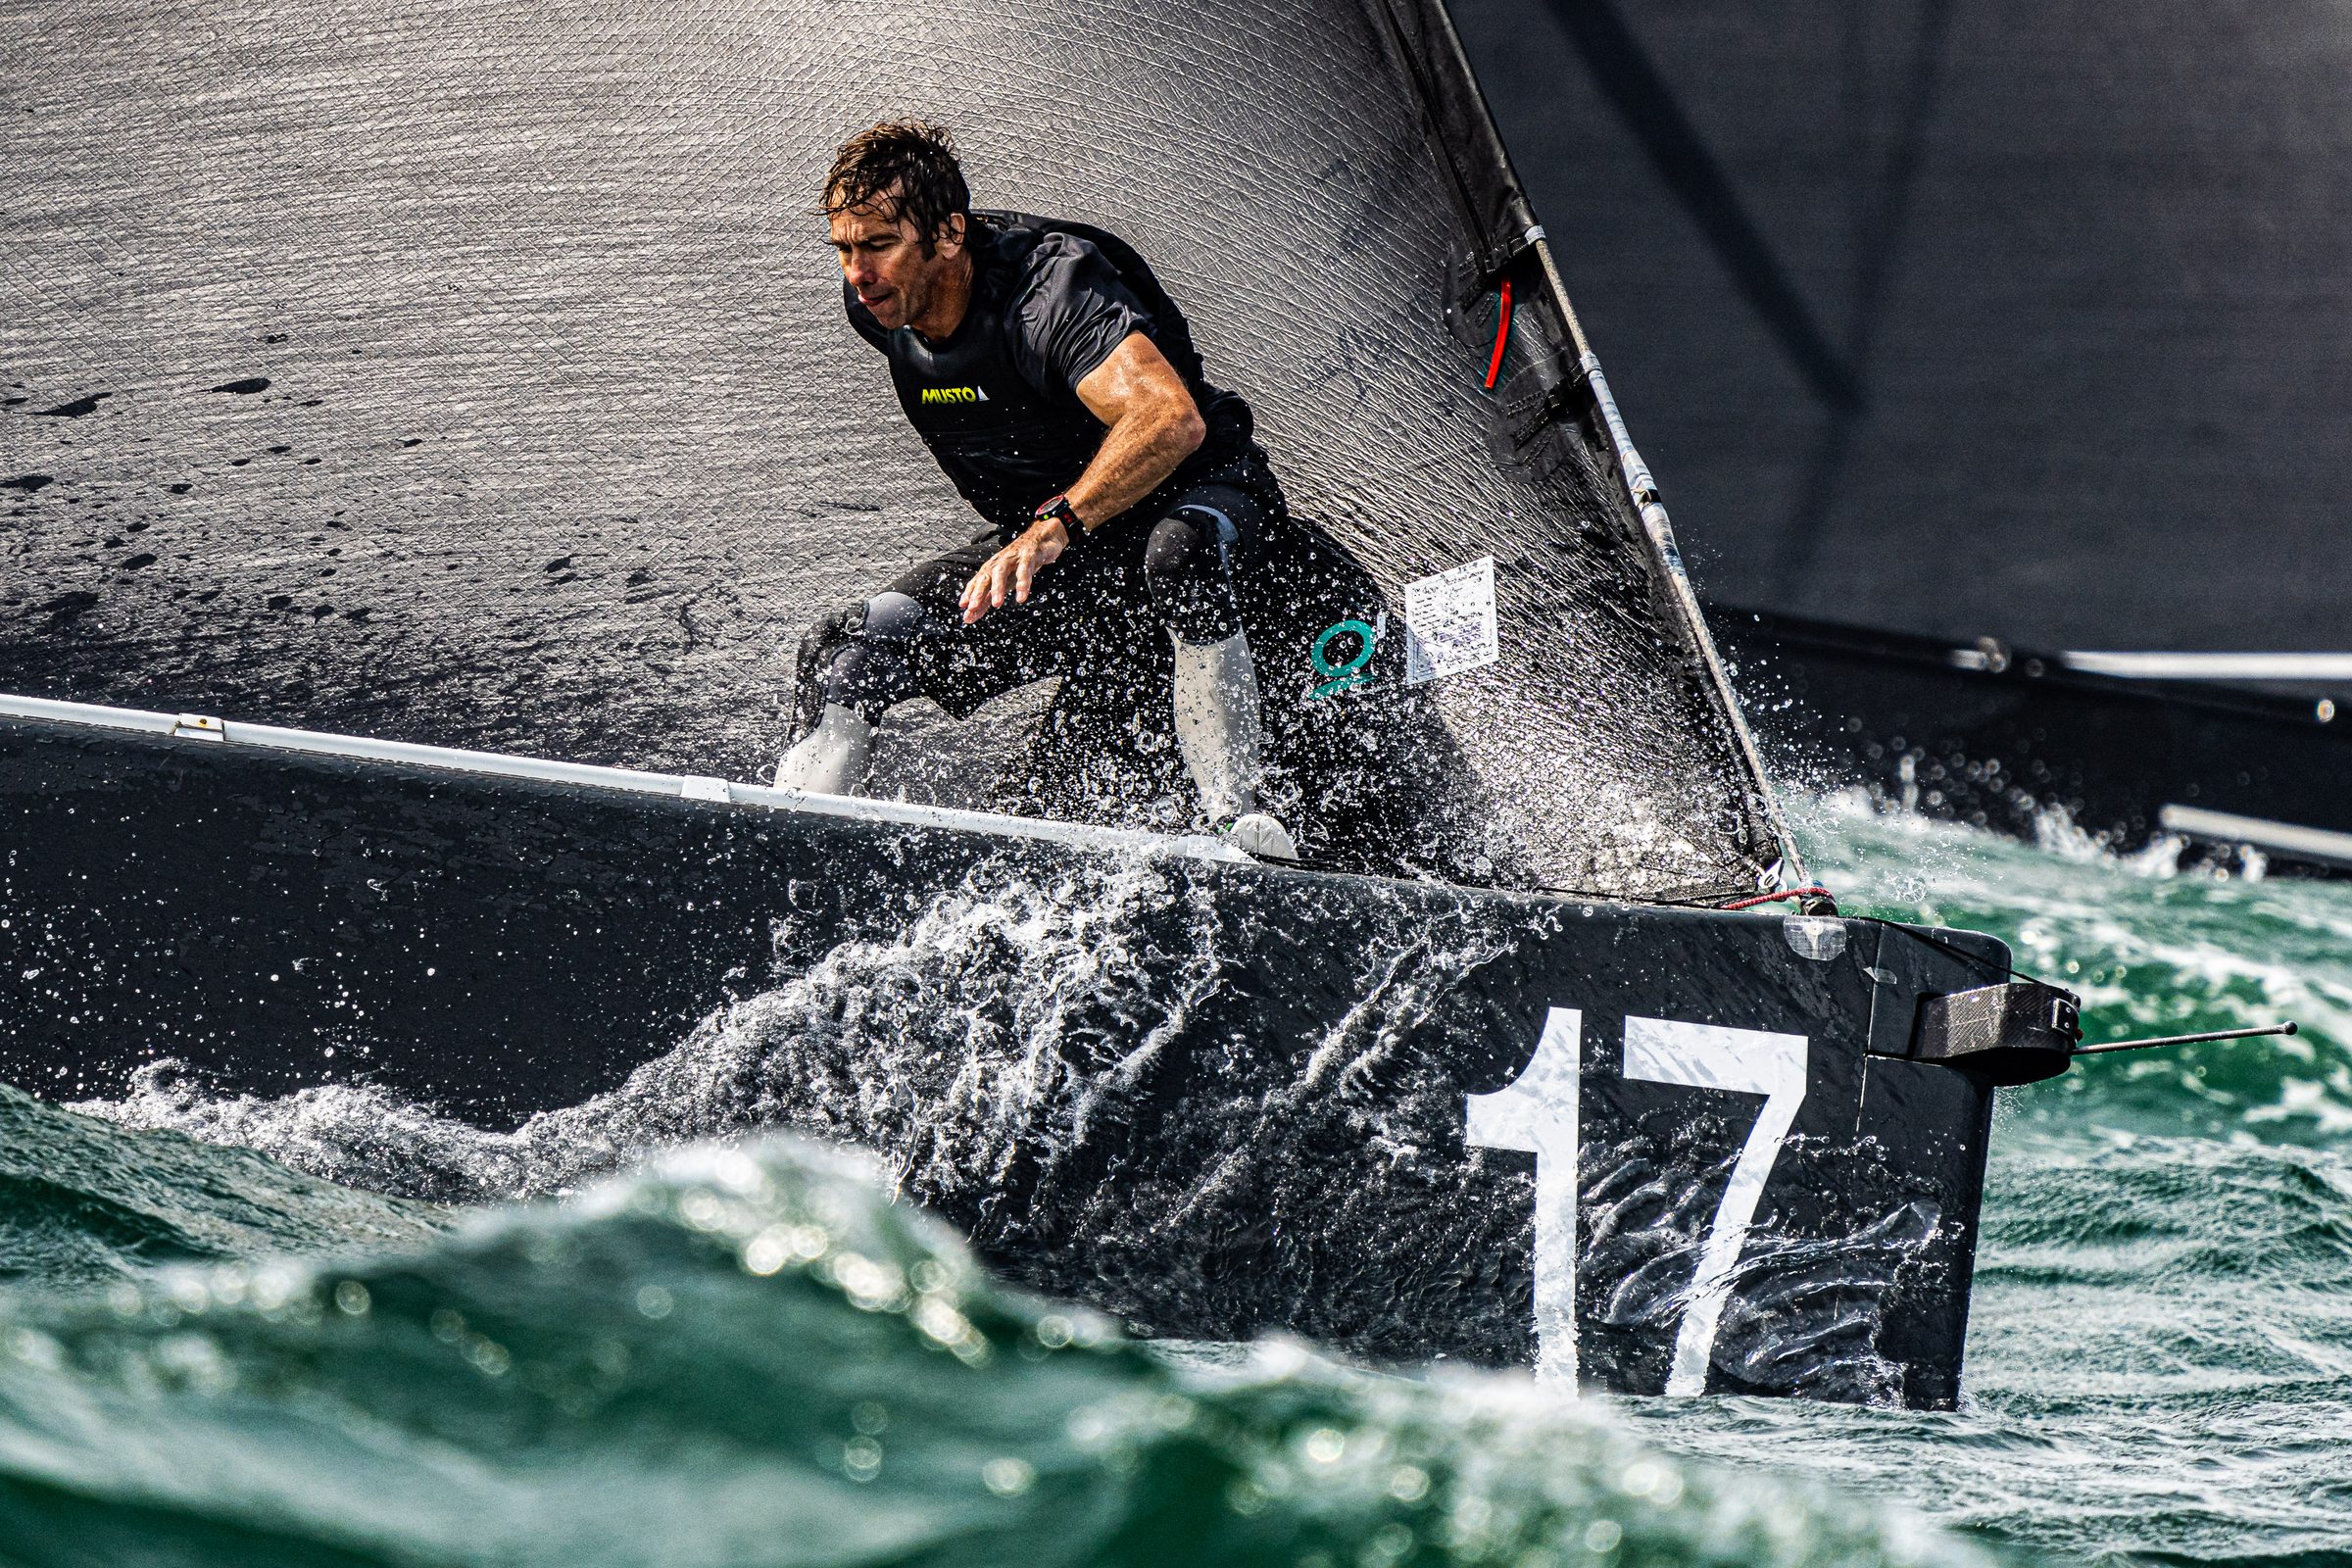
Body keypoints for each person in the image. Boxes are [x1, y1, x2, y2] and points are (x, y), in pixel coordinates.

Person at [777, 120, 1487, 873]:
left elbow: (1169, 419)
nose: (858, 273)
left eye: (879, 244)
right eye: (843, 249)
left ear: (950, 234)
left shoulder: (1053, 295)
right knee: (850, 650)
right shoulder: (882, 304)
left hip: (1227, 553)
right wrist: (1050, 536)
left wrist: (1055, 523)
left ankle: (1235, 819)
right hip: (1096, 589)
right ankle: (789, 852)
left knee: (1179, 557)